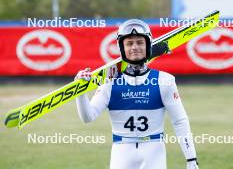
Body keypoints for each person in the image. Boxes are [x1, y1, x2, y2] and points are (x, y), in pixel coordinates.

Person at [75, 19, 199, 169]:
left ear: (148, 45)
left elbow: (180, 121)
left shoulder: (165, 80)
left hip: (154, 151)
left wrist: (191, 158)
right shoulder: (109, 82)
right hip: (121, 152)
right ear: (122, 47)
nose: (135, 47)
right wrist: (80, 91)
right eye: (129, 43)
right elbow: (88, 117)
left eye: (140, 42)